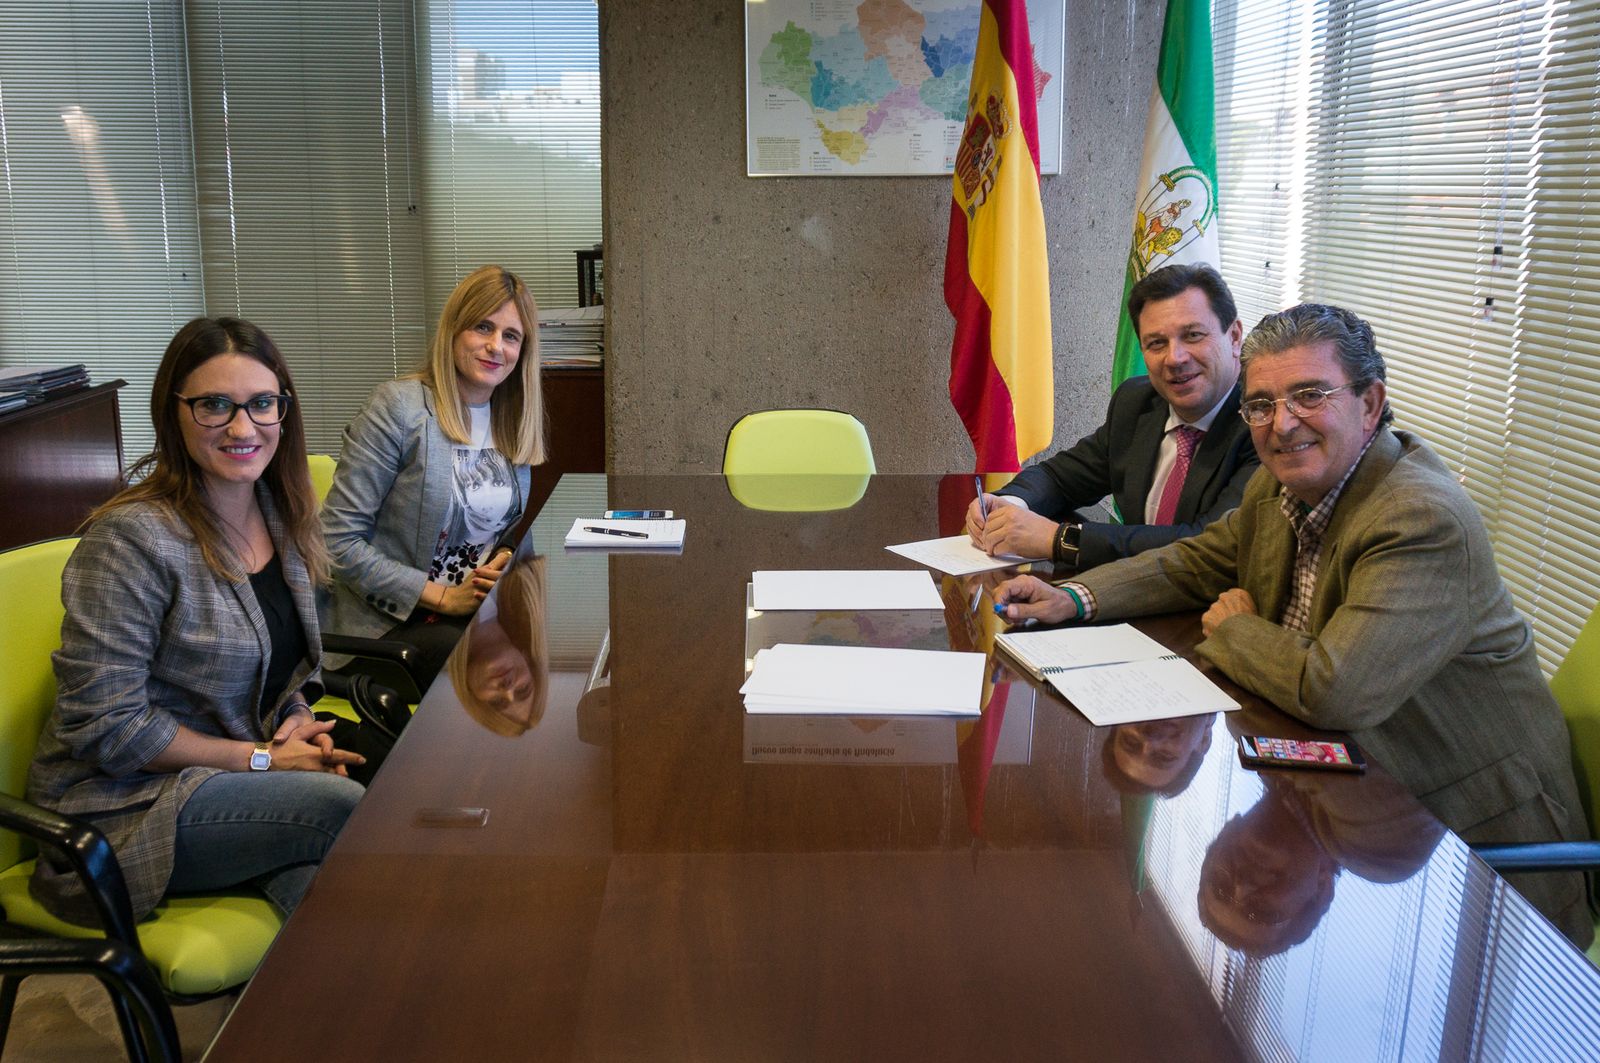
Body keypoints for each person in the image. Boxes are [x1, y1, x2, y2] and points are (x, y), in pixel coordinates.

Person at [995, 303, 1592, 946]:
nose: (1281, 424)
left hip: (1479, 852)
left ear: (1370, 403)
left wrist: (1234, 630)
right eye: (1261, 403)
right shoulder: (1280, 488)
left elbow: (1335, 691)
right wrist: (1076, 598)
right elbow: (1199, 560)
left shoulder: (1419, 521)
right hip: (1364, 771)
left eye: (1309, 395)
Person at [27, 318, 366, 927]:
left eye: (262, 404)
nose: (243, 427)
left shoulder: (281, 513)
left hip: (237, 775)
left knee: (348, 865)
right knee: (345, 811)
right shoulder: (133, 540)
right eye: (214, 405)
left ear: (283, 412)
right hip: (119, 809)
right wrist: (263, 760)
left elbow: (281, 669)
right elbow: (108, 727)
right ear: (174, 414)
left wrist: (293, 726)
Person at [322, 265, 546, 687]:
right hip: (387, 629)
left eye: (511, 335)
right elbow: (336, 542)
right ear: (454, 330)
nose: (495, 346)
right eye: (483, 327)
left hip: (475, 617)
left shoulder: (509, 418)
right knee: (487, 674)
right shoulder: (399, 409)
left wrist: (501, 558)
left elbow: (507, 526)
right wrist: (444, 597)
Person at [966, 262, 1260, 569]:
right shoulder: (1137, 401)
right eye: (1157, 343)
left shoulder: (1264, 423)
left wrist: (1061, 539)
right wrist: (1008, 505)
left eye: (1193, 335)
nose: (1175, 358)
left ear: (1235, 336)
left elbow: (1207, 544)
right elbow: (1061, 477)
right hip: (1123, 599)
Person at [446, 555, 549, 737]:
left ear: (471, 694)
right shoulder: (522, 571)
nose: (507, 689)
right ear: (528, 662)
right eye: (523, 689)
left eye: (497, 702)